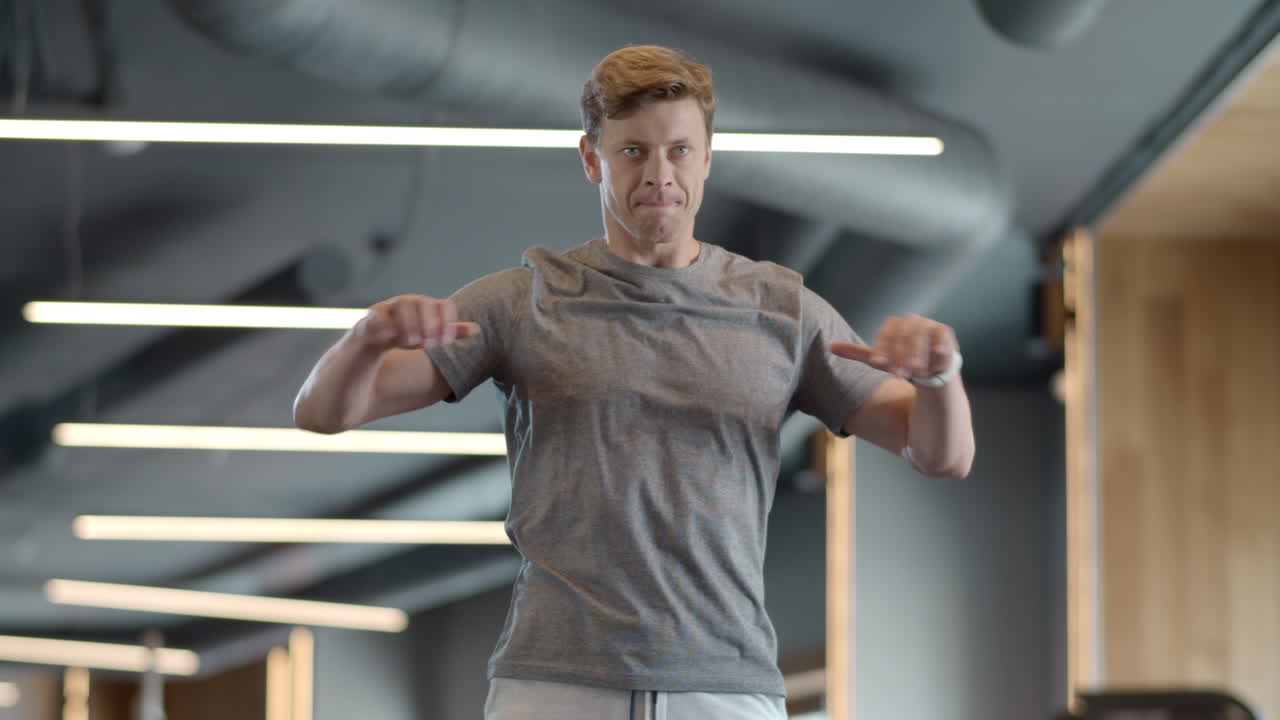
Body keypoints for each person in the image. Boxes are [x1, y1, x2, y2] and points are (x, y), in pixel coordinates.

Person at [294, 44, 974, 720]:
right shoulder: (523, 299)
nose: (659, 174)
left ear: (706, 159)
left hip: (724, 684)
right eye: (633, 152)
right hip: (555, 685)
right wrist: (366, 340)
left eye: (679, 151)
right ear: (592, 159)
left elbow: (942, 454)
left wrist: (941, 378)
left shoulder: (782, 309)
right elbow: (322, 412)